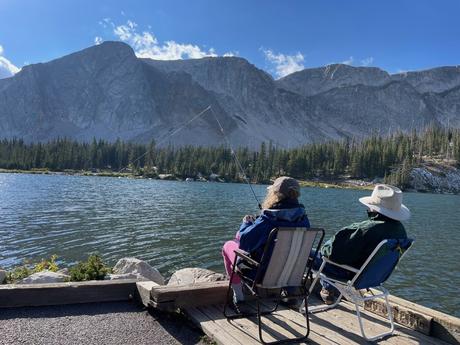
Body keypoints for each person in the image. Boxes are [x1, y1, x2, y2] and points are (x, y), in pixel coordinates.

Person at [311, 184, 410, 304]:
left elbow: (331, 254)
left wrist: (326, 246)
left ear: (373, 208)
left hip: (350, 274)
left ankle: (295, 293)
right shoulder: (401, 232)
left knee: (305, 253)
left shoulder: (365, 229)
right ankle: (328, 289)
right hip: (375, 277)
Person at [222, 176, 310, 305]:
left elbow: (245, 243)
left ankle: (239, 298)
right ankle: (291, 294)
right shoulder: (304, 220)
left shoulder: (269, 219)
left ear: (275, 195)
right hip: (291, 275)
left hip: (261, 275)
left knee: (228, 245)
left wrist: (246, 224)